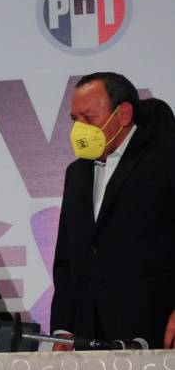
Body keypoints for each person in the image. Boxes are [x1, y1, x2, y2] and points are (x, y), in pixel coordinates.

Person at [51, 72, 175, 350]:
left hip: (155, 331)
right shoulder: (76, 173)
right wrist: (63, 328)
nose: (79, 129)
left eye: (88, 118)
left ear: (123, 114)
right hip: (88, 337)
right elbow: (67, 258)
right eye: (74, 119)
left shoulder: (166, 156)